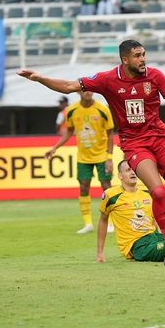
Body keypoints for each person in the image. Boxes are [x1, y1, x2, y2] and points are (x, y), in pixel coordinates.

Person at [17, 39, 165, 269]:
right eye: (138, 55)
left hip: (160, 137)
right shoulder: (107, 79)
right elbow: (69, 86)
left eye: (144, 54)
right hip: (135, 143)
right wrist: (39, 79)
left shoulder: (155, 76)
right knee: (157, 191)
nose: (143, 59)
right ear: (125, 59)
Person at [45, 90, 115, 234]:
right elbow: (69, 131)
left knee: (106, 187)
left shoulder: (102, 109)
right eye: (85, 90)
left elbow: (110, 134)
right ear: (78, 92)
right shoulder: (72, 111)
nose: (88, 92)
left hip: (102, 155)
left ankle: (111, 223)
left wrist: (109, 157)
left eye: (91, 90)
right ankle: (88, 224)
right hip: (83, 157)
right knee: (83, 187)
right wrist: (55, 148)